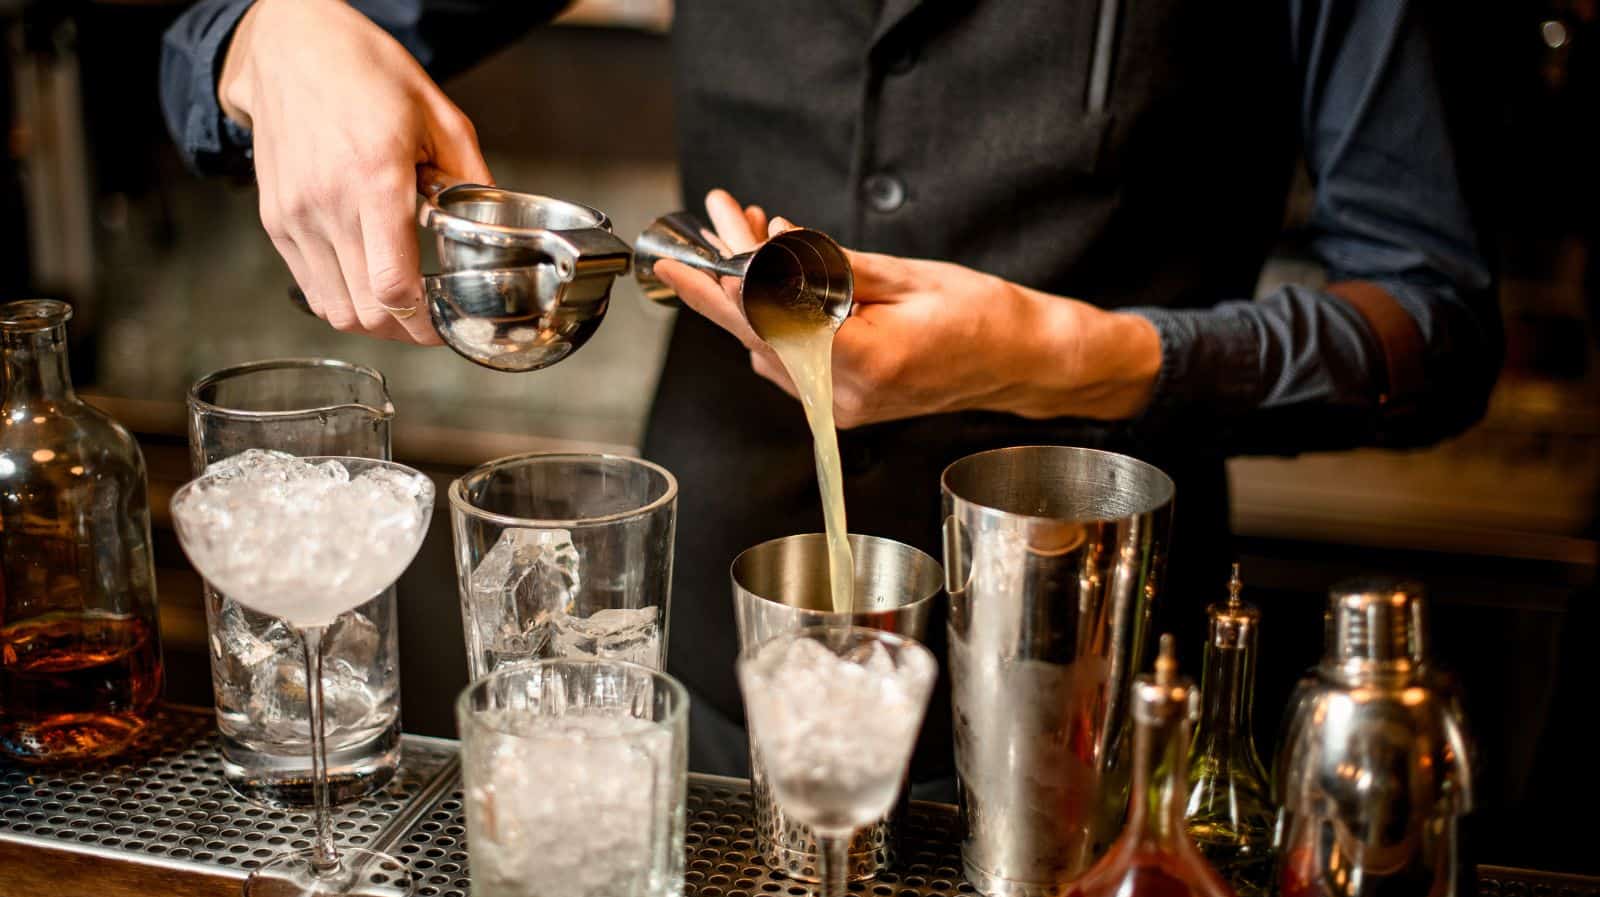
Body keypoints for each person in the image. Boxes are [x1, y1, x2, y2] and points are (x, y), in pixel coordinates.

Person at [161, 0, 1500, 782]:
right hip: (707, 679)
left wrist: (1071, 356)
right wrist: (271, 37)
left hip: (1094, 698)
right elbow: (197, 55)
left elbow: (1437, 325)